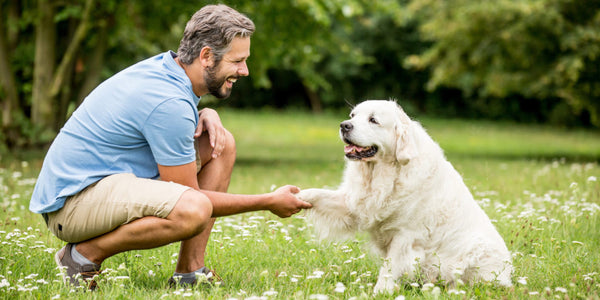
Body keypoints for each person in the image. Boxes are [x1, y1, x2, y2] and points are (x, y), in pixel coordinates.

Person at [29, 4, 312, 290]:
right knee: (193, 209)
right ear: (206, 56)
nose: (245, 70)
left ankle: (190, 272)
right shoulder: (168, 102)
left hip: (96, 185)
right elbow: (190, 197)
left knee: (220, 143)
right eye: (237, 61)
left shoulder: (169, 70)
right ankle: (80, 258)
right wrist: (267, 201)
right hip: (72, 205)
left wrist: (205, 113)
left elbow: (161, 121)